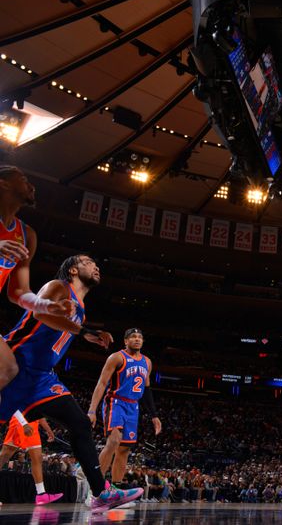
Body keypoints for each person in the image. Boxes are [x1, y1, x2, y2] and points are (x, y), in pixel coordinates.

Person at [0, 254, 143, 512]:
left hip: (42, 377)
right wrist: (84, 332)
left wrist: (85, 333)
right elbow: (40, 314)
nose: (97, 266)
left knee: (80, 423)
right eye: (90, 262)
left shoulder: (81, 310)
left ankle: (101, 493)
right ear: (74, 270)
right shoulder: (58, 286)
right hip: (14, 363)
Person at [0, 166, 76, 392]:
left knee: (7, 369)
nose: (31, 186)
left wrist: (47, 305)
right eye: (23, 179)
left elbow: (18, 292)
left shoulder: (27, 235)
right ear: (3, 184)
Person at [87, 328, 161, 486]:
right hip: (115, 402)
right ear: (126, 341)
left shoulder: (147, 362)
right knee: (113, 441)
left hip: (133, 406)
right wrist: (92, 410)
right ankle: (95, 487)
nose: (137, 339)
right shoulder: (116, 357)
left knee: (124, 449)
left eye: (140, 337)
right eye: (133, 337)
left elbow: (147, 390)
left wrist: (154, 415)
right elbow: (101, 383)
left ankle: (116, 487)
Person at [0, 410, 62, 504]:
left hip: (33, 423)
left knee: (37, 459)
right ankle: (41, 494)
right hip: (21, 420)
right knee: (3, 457)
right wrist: (24, 423)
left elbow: (38, 413)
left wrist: (48, 429)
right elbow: (14, 403)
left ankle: (41, 494)